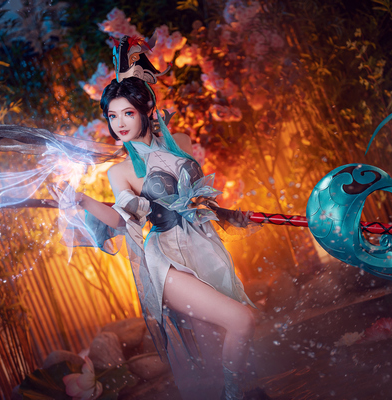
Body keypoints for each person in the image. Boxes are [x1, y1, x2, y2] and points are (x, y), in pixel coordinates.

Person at [48, 37, 257, 400]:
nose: (119, 123)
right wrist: (81, 199)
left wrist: (231, 215)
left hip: (203, 248)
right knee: (242, 320)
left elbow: (198, 199)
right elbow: (120, 220)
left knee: (215, 345)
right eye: (112, 116)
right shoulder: (120, 171)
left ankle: (228, 393)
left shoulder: (182, 142)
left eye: (127, 113)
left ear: (145, 109)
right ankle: (234, 396)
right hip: (166, 263)